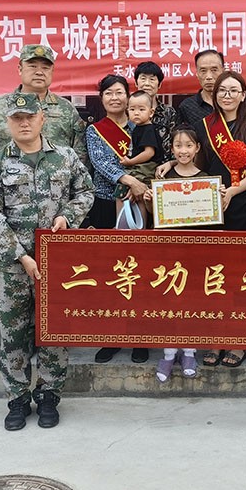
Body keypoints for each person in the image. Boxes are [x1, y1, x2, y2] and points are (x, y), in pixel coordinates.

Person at [0, 93, 94, 431]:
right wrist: (22, 255)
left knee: (53, 329)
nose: (24, 123)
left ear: (42, 118)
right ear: (8, 123)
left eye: (30, 116)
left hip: (56, 264)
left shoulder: (65, 157)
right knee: (13, 333)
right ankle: (17, 398)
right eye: (17, 118)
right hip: (13, 266)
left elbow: (85, 192)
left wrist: (68, 217)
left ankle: (48, 395)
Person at [196, 71, 246, 368]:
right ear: (215, 95)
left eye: (233, 90)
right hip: (210, 208)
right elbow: (198, 165)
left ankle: (240, 340)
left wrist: (234, 190)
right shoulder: (204, 126)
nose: (227, 95)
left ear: (243, 95)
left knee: (240, 275)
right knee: (213, 275)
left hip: (242, 205)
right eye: (222, 90)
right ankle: (215, 338)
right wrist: (172, 163)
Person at [84, 74, 151, 365]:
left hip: (139, 203)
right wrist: (130, 181)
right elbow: (101, 163)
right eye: (109, 93)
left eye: (120, 92)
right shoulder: (95, 131)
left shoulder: (141, 126)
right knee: (110, 272)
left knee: (140, 271)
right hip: (105, 203)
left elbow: (153, 157)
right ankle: (110, 336)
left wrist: (141, 187)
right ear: (102, 98)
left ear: (128, 95)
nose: (115, 98)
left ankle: (140, 336)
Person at [143, 126, 211, 382]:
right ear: (171, 149)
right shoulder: (163, 177)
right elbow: (154, 215)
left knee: (192, 302)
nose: (183, 151)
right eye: (178, 146)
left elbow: (211, 219)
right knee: (169, 302)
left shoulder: (207, 179)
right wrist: (150, 198)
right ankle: (169, 353)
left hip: (195, 252)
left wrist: (216, 199)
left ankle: (190, 351)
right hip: (167, 251)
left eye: (188, 145)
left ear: (197, 148)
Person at [0, 44, 87, 185]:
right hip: (9, 192)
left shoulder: (66, 109)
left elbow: (81, 155)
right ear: (20, 69)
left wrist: (75, 192)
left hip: (58, 192)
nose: (39, 72)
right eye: (32, 66)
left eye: (45, 67)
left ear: (52, 71)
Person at [117, 90, 162, 221]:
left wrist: (130, 162)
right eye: (132, 109)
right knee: (121, 190)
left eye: (141, 109)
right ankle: (120, 223)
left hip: (146, 168)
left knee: (139, 193)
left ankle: (141, 225)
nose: (136, 113)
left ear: (151, 112)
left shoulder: (148, 129)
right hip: (139, 166)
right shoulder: (138, 128)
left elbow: (149, 153)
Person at [134, 60, 178, 161]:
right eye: (143, 78)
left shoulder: (169, 112)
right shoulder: (128, 111)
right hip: (134, 167)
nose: (147, 84)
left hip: (164, 166)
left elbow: (175, 141)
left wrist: (171, 164)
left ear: (159, 84)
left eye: (152, 79)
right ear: (136, 82)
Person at [176, 49, 223, 131]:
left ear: (223, 71)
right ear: (197, 74)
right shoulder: (187, 106)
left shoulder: (232, 102)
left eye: (214, 70)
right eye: (203, 71)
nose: (209, 77)